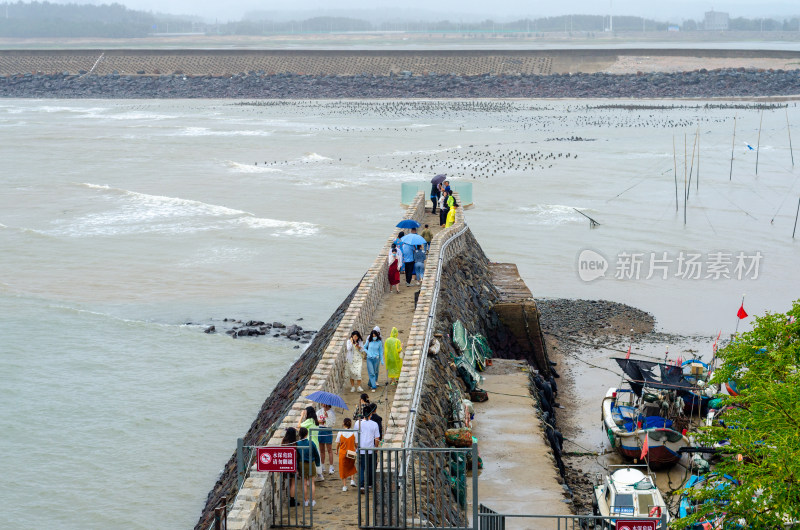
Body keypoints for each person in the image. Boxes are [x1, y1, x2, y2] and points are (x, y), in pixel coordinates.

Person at [354, 407, 381, 493]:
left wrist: (356, 446)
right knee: (371, 467)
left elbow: (355, 437)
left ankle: (361, 485)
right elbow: (377, 438)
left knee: (362, 467)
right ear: (370, 414)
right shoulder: (374, 424)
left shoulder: (358, 423)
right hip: (371, 448)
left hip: (361, 448)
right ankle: (370, 484)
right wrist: (376, 447)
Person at [296, 427, 320, 507]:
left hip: (301, 463)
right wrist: (318, 463)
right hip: (311, 463)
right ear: (307, 434)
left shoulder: (298, 444)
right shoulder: (311, 443)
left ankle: (305, 500)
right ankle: (312, 500)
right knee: (312, 483)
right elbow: (316, 454)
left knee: (304, 483)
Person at [297, 406, 323, 481]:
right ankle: (320, 475)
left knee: (310, 460)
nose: (304, 413)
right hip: (316, 442)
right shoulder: (315, 420)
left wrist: (301, 416)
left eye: (305, 412)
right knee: (317, 458)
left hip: (309, 443)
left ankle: (310, 478)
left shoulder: (309, 420)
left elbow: (299, 425)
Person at [335, 418, 358, 491]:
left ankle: (344, 486)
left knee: (343, 468)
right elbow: (356, 444)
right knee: (351, 466)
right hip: (352, 451)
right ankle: (352, 480)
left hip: (343, 452)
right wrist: (357, 449)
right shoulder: (354, 432)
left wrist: (336, 450)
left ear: (343, 423)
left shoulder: (340, 432)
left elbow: (338, 443)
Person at [316, 404, 336, 475]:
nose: (322, 404)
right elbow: (316, 421)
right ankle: (322, 465)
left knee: (329, 449)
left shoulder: (331, 413)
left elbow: (332, 423)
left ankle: (331, 466)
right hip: (321, 430)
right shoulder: (319, 412)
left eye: (324, 403)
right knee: (322, 450)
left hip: (327, 430)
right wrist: (321, 421)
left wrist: (327, 418)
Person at [281, 427, 298, 507]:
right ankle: (292, 500)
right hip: (292, 464)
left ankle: (290, 499)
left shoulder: (284, 441)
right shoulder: (294, 443)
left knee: (288, 482)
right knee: (293, 483)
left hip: (285, 464)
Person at [365, 327, 384, 392]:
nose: (374, 337)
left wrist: (382, 360)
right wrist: (368, 353)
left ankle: (370, 383)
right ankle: (373, 386)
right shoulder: (369, 341)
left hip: (376, 359)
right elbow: (364, 347)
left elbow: (381, 351)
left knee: (375, 371)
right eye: (373, 336)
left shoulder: (379, 342)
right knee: (372, 372)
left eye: (375, 335)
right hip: (369, 359)